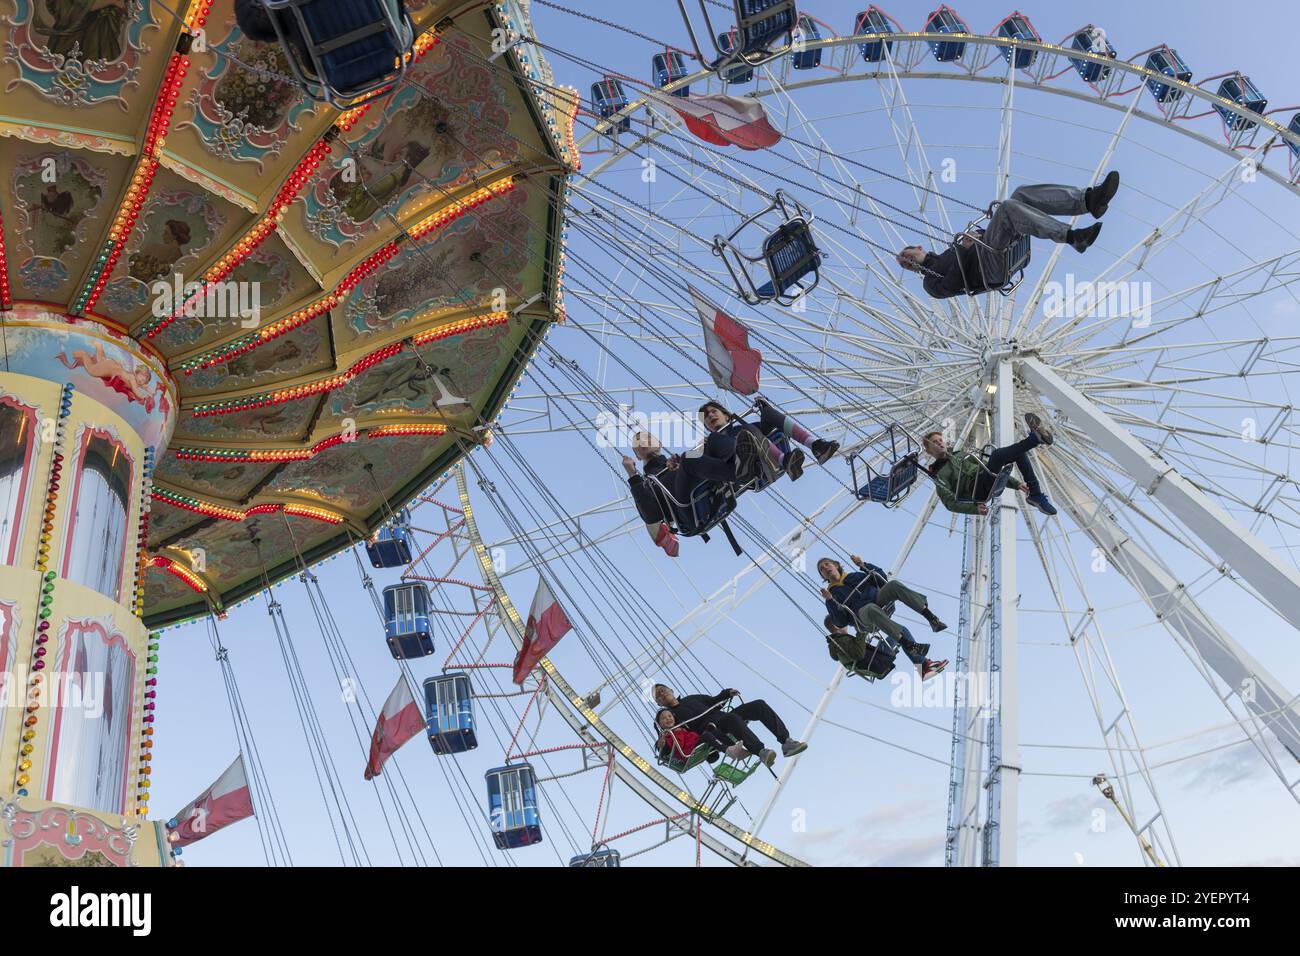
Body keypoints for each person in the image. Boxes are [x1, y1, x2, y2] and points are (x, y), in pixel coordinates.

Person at [896, 173, 1120, 299]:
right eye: (905, 264)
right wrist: (965, 248)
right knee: (1007, 208)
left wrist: (978, 235)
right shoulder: (930, 283)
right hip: (990, 270)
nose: (908, 261)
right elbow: (954, 284)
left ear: (919, 247)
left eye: (907, 255)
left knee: (1020, 193)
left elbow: (979, 241)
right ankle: (1072, 237)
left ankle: (1088, 200)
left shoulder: (947, 252)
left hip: (995, 252)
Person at [818, 554, 948, 680]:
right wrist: (830, 600)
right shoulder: (832, 594)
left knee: (893, 585)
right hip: (863, 618)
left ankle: (932, 619)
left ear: (836, 565)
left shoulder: (855, 576)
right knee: (870, 609)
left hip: (879, 602)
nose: (825, 568)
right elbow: (840, 622)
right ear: (823, 576)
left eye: (827, 564)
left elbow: (881, 579)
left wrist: (863, 565)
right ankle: (908, 645)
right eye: (822, 570)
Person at [922, 413, 1058, 517]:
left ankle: (1035, 494)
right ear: (928, 451)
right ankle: (1034, 439)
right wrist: (973, 509)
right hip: (976, 490)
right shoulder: (938, 474)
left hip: (985, 477)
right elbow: (950, 503)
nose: (940, 443)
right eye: (934, 442)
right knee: (998, 455)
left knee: (1018, 453)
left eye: (940, 440)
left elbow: (989, 467)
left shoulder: (960, 454)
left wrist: (1017, 484)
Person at [652, 684, 806, 768]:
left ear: (671, 690)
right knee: (731, 719)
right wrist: (661, 746)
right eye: (658, 695)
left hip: (723, 716)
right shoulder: (669, 717)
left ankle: (786, 742)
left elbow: (713, 700)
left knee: (758, 705)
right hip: (712, 728)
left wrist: (726, 693)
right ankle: (760, 751)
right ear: (659, 703)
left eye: (663, 690)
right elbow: (667, 738)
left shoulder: (692, 698)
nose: (662, 694)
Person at [698, 399, 838, 484]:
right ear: (707, 426)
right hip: (752, 470)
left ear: (727, 416)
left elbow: (770, 432)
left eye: (713, 411)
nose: (710, 415)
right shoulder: (713, 443)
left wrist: (764, 407)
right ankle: (783, 460)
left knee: (766, 414)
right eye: (706, 416)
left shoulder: (741, 426)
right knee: (746, 430)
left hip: (764, 448)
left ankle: (815, 445)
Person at [824, 616, 898, 680]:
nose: (844, 623)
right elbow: (859, 654)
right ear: (836, 626)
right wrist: (861, 631)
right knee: (899, 631)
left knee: (896, 635)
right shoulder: (841, 641)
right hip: (877, 660)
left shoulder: (837, 643)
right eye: (841, 621)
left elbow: (857, 650)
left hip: (871, 662)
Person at [654, 708, 723, 764]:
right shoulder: (667, 736)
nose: (668, 719)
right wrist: (662, 746)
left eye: (670, 716)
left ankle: (713, 750)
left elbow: (691, 735)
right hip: (689, 751)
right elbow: (669, 749)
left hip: (695, 743)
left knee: (711, 728)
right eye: (663, 718)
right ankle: (726, 748)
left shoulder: (681, 728)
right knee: (706, 735)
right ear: (659, 725)